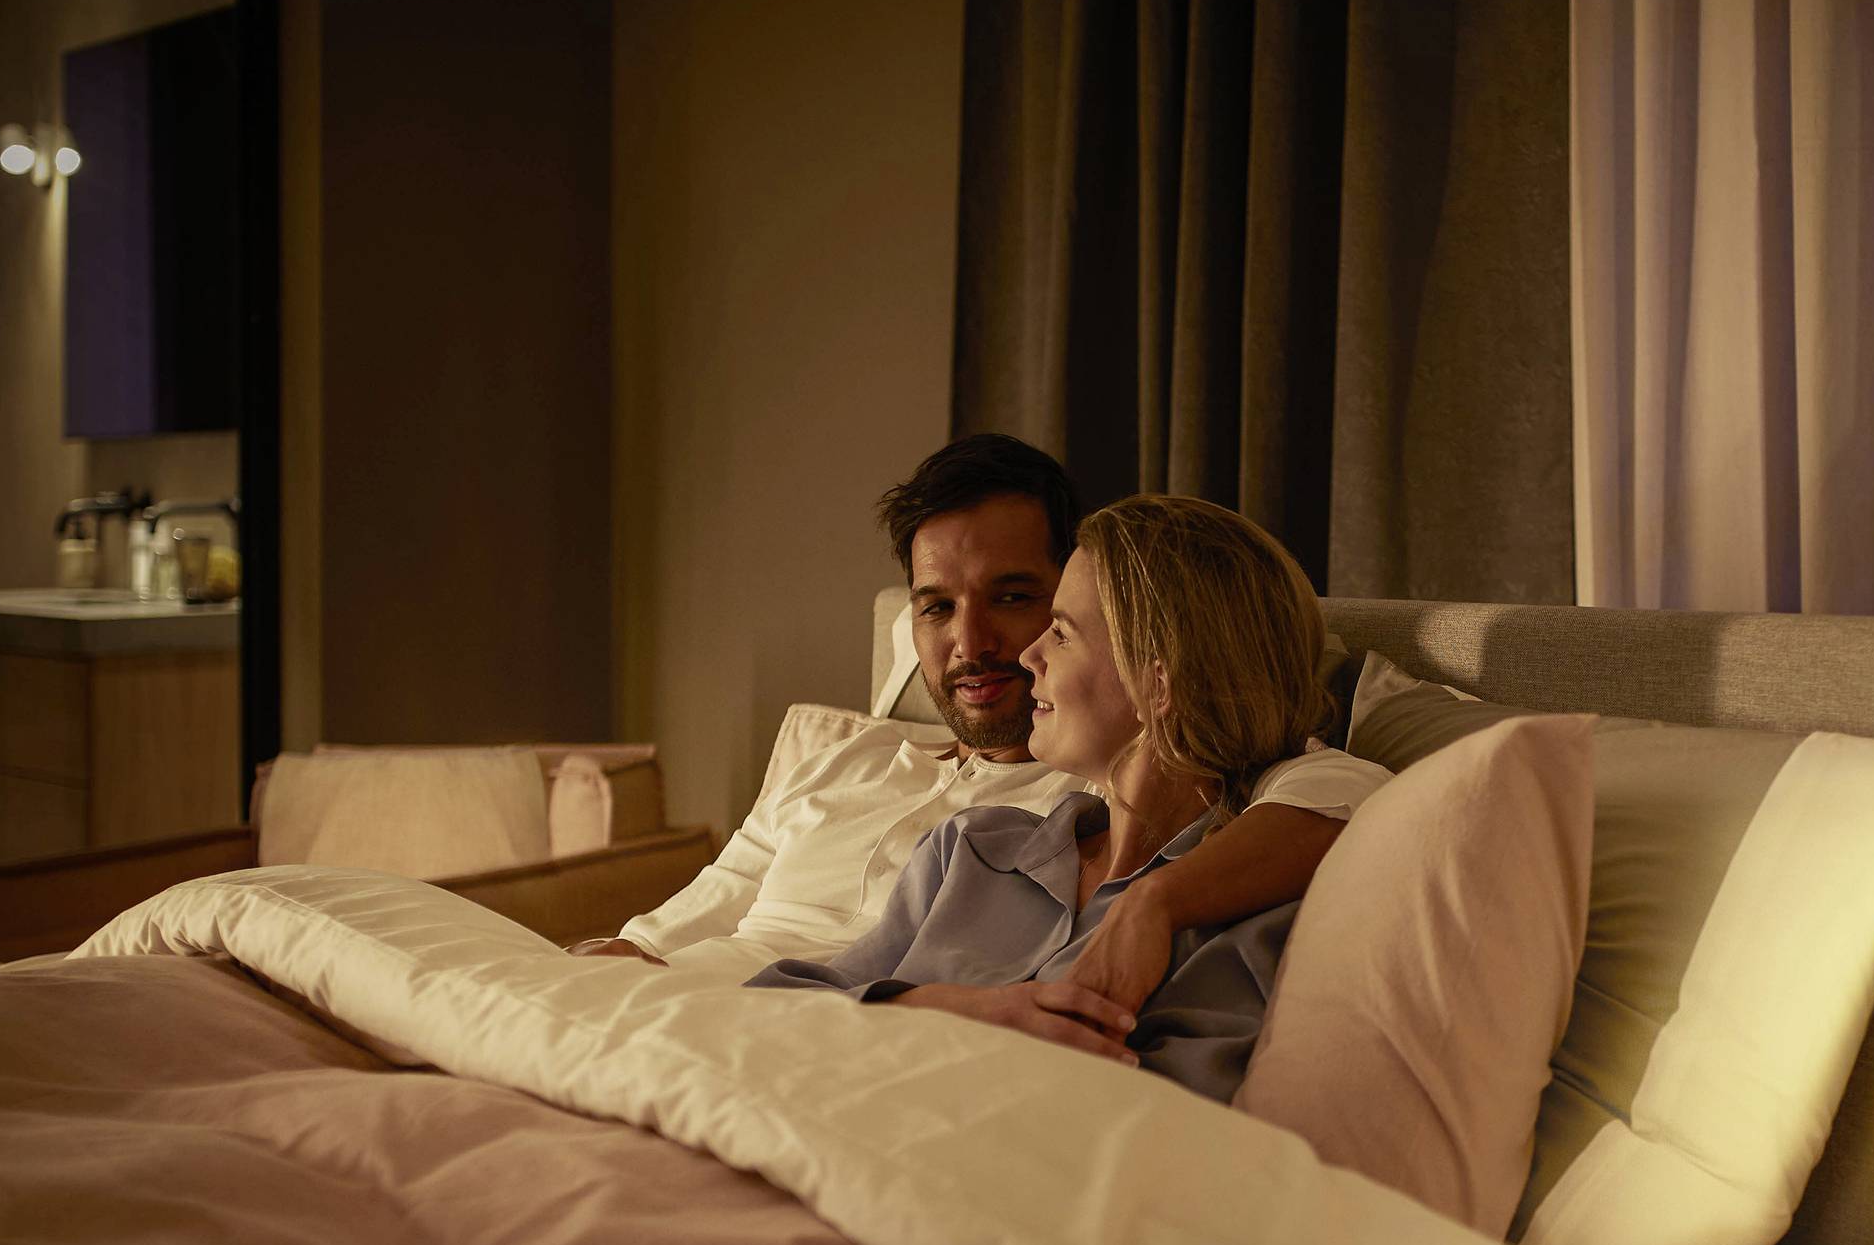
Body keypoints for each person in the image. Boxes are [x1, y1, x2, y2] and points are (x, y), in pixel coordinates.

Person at [582, 435, 1379, 1003]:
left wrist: (1154, 903)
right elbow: (672, 926)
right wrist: (613, 967)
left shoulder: (1093, 797)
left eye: (1016, 601)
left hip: (803, 1049)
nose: (974, 643)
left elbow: (1337, 790)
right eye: (936, 607)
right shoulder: (851, 767)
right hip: (679, 1018)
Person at [747, 495, 1341, 1100]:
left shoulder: (1256, 917)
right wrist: (956, 1011)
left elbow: (1166, 1125)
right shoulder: (969, 851)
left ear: (1157, 683)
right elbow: (767, 1009)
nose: (1030, 656)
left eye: (1060, 633)